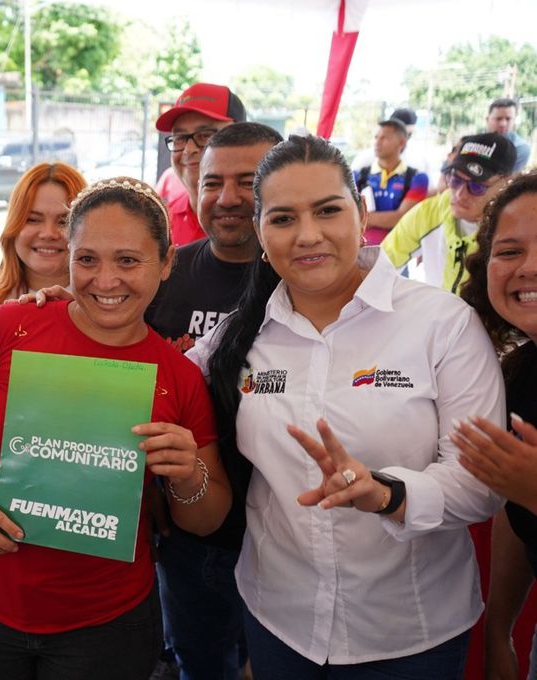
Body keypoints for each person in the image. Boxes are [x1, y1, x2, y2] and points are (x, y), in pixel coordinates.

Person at [191, 134, 504, 677]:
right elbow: (155, 378)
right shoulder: (241, 336)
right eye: (284, 218)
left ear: (361, 214)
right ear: (262, 234)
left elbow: (481, 482)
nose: (308, 235)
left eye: (329, 211)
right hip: (278, 620)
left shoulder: (441, 323)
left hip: (410, 634)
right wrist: (58, 313)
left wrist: (388, 494)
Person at [0, 176, 231, 680]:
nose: (105, 280)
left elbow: (205, 519)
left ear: (167, 262)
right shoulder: (11, 328)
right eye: (87, 259)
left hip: (106, 624)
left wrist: (187, 472)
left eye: (128, 261)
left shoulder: (178, 376)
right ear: (68, 256)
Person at [144, 122, 281, 680]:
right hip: (190, 542)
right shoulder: (164, 274)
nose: (227, 198)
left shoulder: (305, 283)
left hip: (286, 543)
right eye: (210, 182)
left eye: (247, 181)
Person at [453, 170, 537, 680]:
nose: (529, 268)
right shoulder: (520, 373)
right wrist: (498, 628)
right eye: (509, 252)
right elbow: (515, 506)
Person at [0, 161, 86, 341]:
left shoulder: (106, 306)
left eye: (63, 222)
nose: (48, 234)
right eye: (33, 219)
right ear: (13, 226)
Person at [382, 132, 515, 292]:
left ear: (506, 183)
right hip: (435, 315)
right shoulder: (428, 213)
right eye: (455, 180)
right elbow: (380, 264)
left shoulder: (515, 230)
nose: (460, 194)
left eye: (476, 186)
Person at [155, 82, 247, 247]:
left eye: (205, 136)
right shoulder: (161, 224)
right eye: (179, 138)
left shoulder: (264, 220)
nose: (189, 150)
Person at [353, 119, 429, 245]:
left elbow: (403, 218)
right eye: (376, 137)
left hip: (398, 257)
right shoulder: (358, 176)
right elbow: (349, 216)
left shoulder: (418, 179)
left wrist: (363, 218)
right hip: (359, 252)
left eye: (384, 138)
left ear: (401, 143)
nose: (377, 142)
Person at [487, 98, 531, 173]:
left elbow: (507, 179)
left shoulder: (520, 147)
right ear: (487, 119)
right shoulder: (471, 142)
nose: (503, 124)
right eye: (498, 118)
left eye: (508, 119)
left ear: (514, 120)